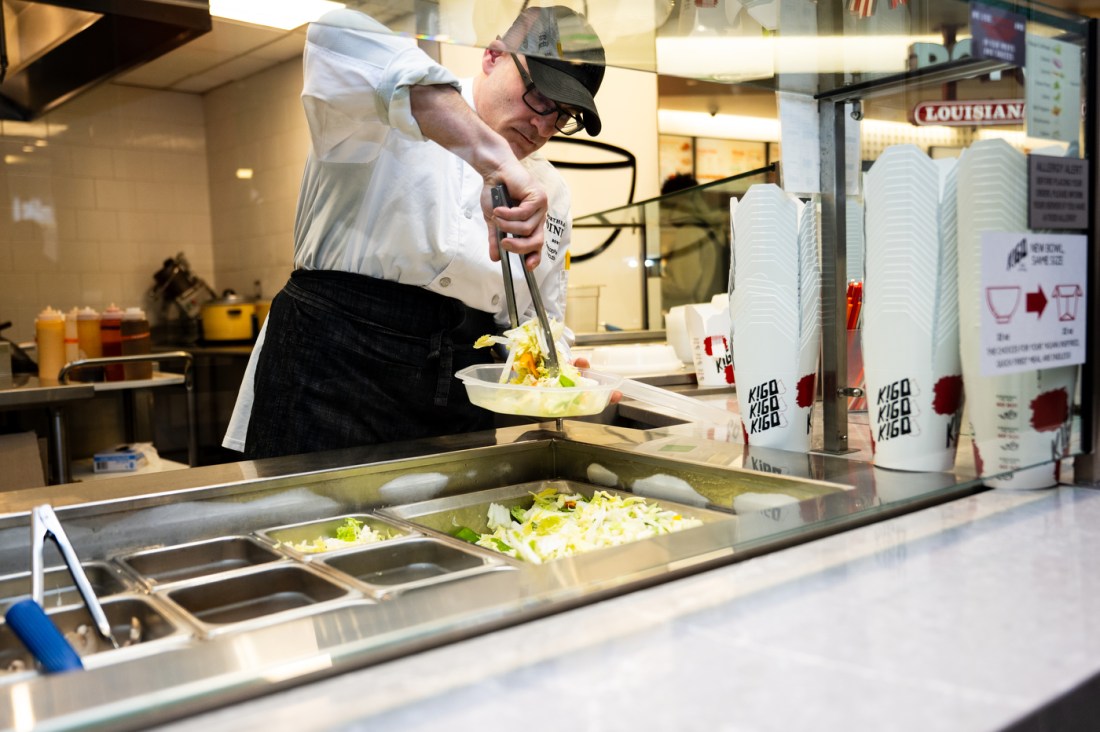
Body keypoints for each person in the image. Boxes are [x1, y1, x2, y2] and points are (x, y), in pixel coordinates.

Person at [223, 5, 607, 459]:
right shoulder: (384, 104)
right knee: (307, 524)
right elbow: (337, 32)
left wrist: (555, 370)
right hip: (335, 366)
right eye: (540, 97)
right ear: (492, 56)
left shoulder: (550, 190)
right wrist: (493, 160)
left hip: (457, 393)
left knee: (454, 526)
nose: (543, 126)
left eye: (563, 115)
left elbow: (533, 320)